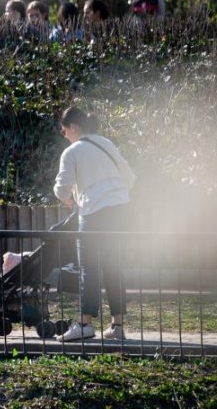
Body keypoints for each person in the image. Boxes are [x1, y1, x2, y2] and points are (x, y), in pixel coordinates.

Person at [53, 107, 136, 342]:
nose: (64, 134)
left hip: (93, 213)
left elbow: (61, 188)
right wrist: (113, 195)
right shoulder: (107, 144)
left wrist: (68, 198)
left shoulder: (73, 151)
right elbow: (130, 178)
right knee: (114, 267)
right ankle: (117, 326)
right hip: (121, 210)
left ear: (74, 128)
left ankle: (84, 324)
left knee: (89, 268)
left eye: (64, 130)